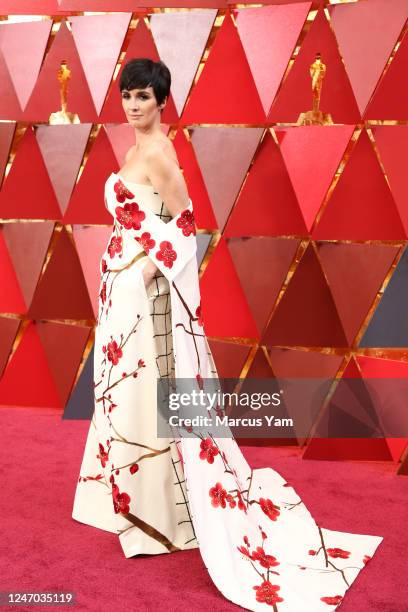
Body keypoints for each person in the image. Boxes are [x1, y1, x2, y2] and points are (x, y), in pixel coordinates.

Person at [72, 57, 383, 611]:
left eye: (143, 97)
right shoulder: (132, 149)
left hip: (142, 288)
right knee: (121, 392)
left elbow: (187, 221)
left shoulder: (162, 154)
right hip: (116, 287)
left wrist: (150, 268)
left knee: (148, 393)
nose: (133, 106)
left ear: (162, 101)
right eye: (127, 96)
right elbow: (139, 215)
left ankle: (162, 512)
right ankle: (131, 502)